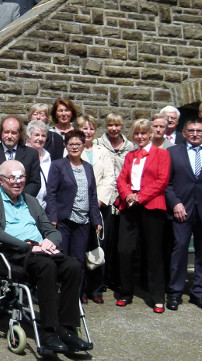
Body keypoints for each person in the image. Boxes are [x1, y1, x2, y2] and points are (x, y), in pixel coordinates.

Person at [0, 160, 92, 354]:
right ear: (1, 180)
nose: (17, 182)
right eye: (12, 178)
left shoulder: (30, 200)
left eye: (21, 177)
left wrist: (51, 241)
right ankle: (48, 332)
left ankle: (67, 329)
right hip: (15, 252)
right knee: (47, 267)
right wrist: (28, 247)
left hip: (41, 250)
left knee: (73, 266)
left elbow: (50, 229)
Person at [164, 118, 202, 311]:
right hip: (182, 211)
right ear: (184, 133)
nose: (195, 134)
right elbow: (166, 183)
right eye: (191, 130)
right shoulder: (173, 152)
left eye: (199, 131)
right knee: (179, 250)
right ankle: (174, 292)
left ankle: (198, 293)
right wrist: (175, 204)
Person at [115, 118, 171, 313]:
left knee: (154, 253)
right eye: (137, 133)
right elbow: (122, 178)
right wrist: (127, 195)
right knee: (124, 250)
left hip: (152, 206)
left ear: (150, 134)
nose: (140, 137)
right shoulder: (130, 156)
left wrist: (141, 197)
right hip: (130, 206)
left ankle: (157, 297)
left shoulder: (162, 154)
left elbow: (162, 181)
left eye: (144, 133)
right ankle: (125, 292)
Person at [45, 130, 102, 296]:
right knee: (62, 259)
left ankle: (76, 296)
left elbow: (93, 195)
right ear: (66, 146)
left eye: (78, 144)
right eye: (71, 144)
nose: (75, 147)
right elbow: (52, 193)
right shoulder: (58, 165)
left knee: (79, 261)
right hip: (64, 220)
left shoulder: (88, 167)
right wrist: (53, 217)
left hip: (83, 222)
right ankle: (60, 294)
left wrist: (96, 219)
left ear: (83, 146)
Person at [75, 114, 116, 303]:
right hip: (79, 206)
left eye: (91, 128)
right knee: (81, 248)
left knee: (99, 247)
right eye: (84, 128)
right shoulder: (73, 150)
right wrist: (86, 202)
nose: (88, 132)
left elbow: (110, 177)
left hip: (100, 206)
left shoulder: (103, 151)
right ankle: (81, 289)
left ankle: (96, 289)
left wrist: (98, 201)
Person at [95, 113, 135, 294]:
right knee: (105, 240)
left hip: (125, 199)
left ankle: (118, 279)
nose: (113, 128)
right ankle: (102, 279)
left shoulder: (130, 147)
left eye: (117, 125)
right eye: (110, 125)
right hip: (105, 198)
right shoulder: (98, 144)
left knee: (121, 243)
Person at [0, 116, 41, 200]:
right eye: (6, 132)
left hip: (23, 204)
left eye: (14, 133)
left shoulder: (31, 154)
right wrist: (1, 199)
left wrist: (19, 199)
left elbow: (35, 183)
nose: (9, 136)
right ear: (1, 132)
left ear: (20, 134)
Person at [25, 119, 53, 209]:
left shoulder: (48, 157)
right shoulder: (21, 154)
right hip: (25, 205)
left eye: (43, 135)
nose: (40, 139)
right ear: (28, 137)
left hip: (44, 207)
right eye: (36, 135)